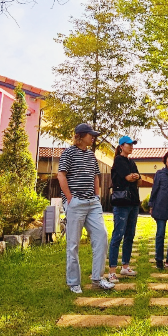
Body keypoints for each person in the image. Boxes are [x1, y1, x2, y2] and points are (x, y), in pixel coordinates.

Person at [57, 123, 115, 293]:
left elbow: (96, 176)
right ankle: (73, 282)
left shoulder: (91, 155)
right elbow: (61, 175)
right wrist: (69, 198)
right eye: (91, 135)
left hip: (92, 203)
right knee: (73, 244)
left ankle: (97, 279)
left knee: (101, 236)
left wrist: (97, 196)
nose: (93, 138)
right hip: (76, 203)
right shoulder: (68, 153)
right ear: (80, 136)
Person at [108, 136, 141, 282]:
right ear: (121, 146)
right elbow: (128, 178)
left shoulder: (132, 162)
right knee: (118, 235)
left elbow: (138, 180)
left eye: (132, 144)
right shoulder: (118, 160)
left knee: (130, 235)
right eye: (129, 144)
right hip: (121, 203)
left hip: (134, 202)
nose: (131, 147)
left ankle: (125, 266)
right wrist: (133, 176)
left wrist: (135, 176)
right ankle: (112, 271)